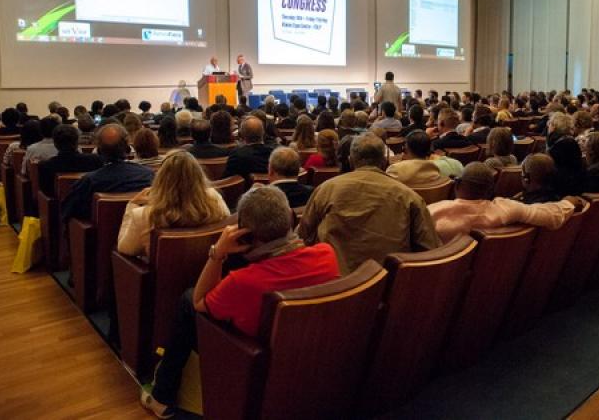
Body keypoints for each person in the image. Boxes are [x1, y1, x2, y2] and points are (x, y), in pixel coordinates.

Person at [139, 186, 340, 418]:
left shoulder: (244, 282)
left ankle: (162, 396)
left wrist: (218, 253)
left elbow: (198, 303)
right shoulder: (327, 254)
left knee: (187, 299)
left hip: (247, 356)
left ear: (245, 234)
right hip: (305, 354)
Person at [299, 132, 441, 273]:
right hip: (388, 284)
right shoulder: (409, 197)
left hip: (337, 285)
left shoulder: (326, 189)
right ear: (385, 161)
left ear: (350, 161)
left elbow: (304, 234)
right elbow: (430, 248)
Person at [428, 162, 578, 245]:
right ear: (489, 191)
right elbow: (551, 215)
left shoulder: (433, 212)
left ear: (457, 185)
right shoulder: (506, 208)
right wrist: (568, 203)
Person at [118, 151, 230, 258]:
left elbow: (124, 249)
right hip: (209, 271)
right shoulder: (215, 200)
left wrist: (132, 205)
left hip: (162, 276)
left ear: (161, 178)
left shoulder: (142, 215)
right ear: (199, 175)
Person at [61, 124, 155, 222]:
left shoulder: (89, 181)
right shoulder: (148, 175)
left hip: (97, 235)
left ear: (99, 150)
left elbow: (67, 210)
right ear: (127, 147)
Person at [38, 125, 103, 197]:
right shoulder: (95, 160)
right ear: (77, 142)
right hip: (89, 204)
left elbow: (46, 192)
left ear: (55, 144)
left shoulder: (46, 166)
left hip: (58, 206)